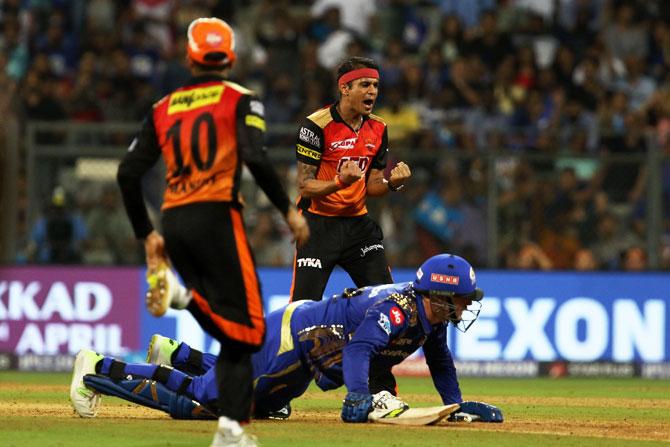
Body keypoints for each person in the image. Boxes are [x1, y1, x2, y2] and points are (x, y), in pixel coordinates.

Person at [116, 17, 309, 447]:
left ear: (188, 57)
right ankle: (229, 427)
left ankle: (230, 430)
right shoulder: (241, 99)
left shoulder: (162, 108)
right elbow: (255, 157)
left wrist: (147, 233)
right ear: (232, 58)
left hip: (174, 220)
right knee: (251, 331)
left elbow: (128, 173)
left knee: (230, 332)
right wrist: (287, 211)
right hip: (218, 217)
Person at [69, 253, 503, 427]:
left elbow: (441, 364)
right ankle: (96, 367)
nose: (465, 308)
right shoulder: (398, 310)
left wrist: (457, 405)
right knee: (211, 400)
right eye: (461, 300)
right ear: (440, 296)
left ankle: (177, 354)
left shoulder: (430, 316)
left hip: (306, 341)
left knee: (265, 403)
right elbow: (359, 350)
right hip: (293, 338)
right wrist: (358, 396)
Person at [292, 55, 411, 400]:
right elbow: (304, 186)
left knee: (390, 304)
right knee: (300, 313)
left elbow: (372, 184)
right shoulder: (314, 127)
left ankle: (380, 390)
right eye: (364, 85)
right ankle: (281, 393)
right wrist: (339, 183)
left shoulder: (379, 128)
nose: (372, 90)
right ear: (345, 89)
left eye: (375, 85)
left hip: (359, 227)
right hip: (318, 227)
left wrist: (391, 183)